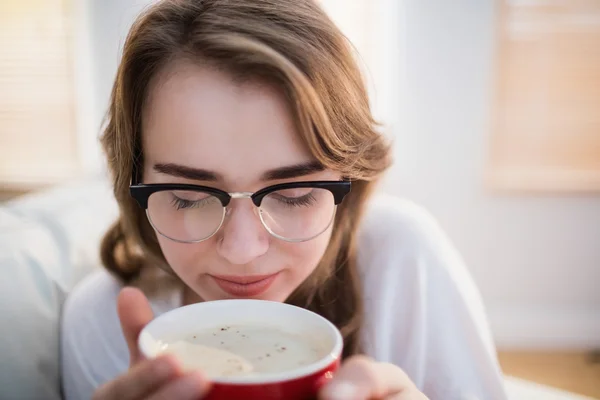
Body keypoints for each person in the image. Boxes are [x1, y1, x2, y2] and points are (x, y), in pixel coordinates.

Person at [60, 0, 508, 399]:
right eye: (187, 197)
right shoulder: (101, 325)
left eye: (294, 195)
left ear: (347, 181)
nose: (242, 251)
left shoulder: (400, 260)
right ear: (133, 182)